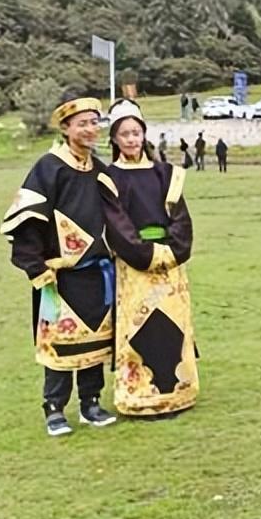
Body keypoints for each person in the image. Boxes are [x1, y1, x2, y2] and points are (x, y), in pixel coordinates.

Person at [0, 90, 116, 436]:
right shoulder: (48, 168)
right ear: (66, 128)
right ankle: (54, 409)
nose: (91, 130)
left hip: (97, 273)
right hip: (57, 276)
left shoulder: (100, 169)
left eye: (95, 123)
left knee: (95, 341)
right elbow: (27, 220)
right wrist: (36, 267)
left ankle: (91, 403)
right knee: (58, 345)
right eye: (82, 124)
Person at [98, 99, 199, 417]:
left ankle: (178, 391)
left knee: (172, 323)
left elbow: (180, 218)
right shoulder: (109, 178)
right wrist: (146, 253)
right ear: (114, 139)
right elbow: (117, 224)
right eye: (124, 134)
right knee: (141, 326)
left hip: (170, 264)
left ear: (144, 134)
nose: (131, 139)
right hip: (134, 266)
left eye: (136, 132)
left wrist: (173, 250)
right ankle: (141, 394)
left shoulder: (165, 174)